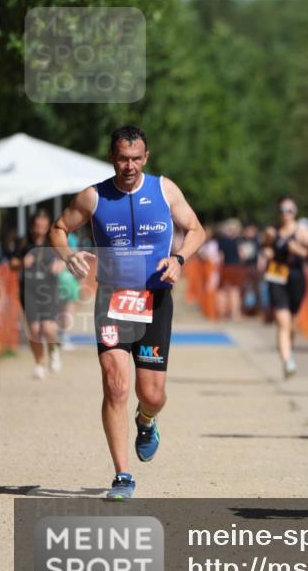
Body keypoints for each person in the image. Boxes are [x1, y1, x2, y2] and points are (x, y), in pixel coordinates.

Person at [49, 124, 205, 499]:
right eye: (123, 159)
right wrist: (68, 255)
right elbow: (58, 228)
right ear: (112, 157)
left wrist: (179, 259)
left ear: (146, 157)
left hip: (155, 300)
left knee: (153, 394)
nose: (129, 166)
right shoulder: (94, 196)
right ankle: (122, 475)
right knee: (116, 384)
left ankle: (146, 419)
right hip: (113, 300)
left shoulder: (165, 190)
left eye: (136, 158)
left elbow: (196, 229)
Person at [10, 209, 64, 378]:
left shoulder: (53, 242)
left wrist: (60, 266)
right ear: (32, 225)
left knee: (47, 327)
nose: (40, 228)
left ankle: (53, 349)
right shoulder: (23, 242)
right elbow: (12, 263)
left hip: (48, 290)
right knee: (34, 330)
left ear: (48, 226)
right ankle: (39, 363)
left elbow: (66, 259)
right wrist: (21, 262)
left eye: (43, 225)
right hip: (28, 291)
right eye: (37, 225)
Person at [262, 195, 308, 378]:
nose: (285, 214)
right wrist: (267, 250)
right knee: (282, 320)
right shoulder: (272, 231)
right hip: (276, 275)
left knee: (293, 323)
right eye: (282, 211)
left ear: (295, 212)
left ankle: (288, 348)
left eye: (289, 211)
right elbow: (265, 247)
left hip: (296, 278)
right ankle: (287, 361)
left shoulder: (302, 232)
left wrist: (299, 250)